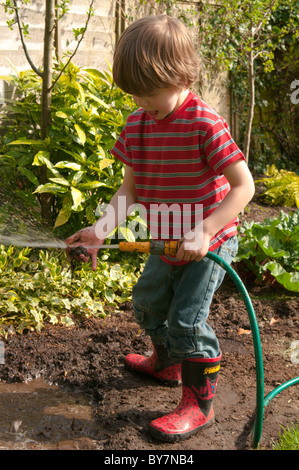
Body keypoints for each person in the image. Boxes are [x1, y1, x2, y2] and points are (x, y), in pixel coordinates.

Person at [65, 15, 255, 442]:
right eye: (135, 92)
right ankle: (168, 363)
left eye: (150, 92)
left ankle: (198, 403)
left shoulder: (204, 124)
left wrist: (206, 229)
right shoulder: (137, 125)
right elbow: (128, 190)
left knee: (187, 321)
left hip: (210, 242)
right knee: (149, 306)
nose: (141, 100)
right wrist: (100, 230)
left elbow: (244, 187)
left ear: (180, 75)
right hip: (164, 238)